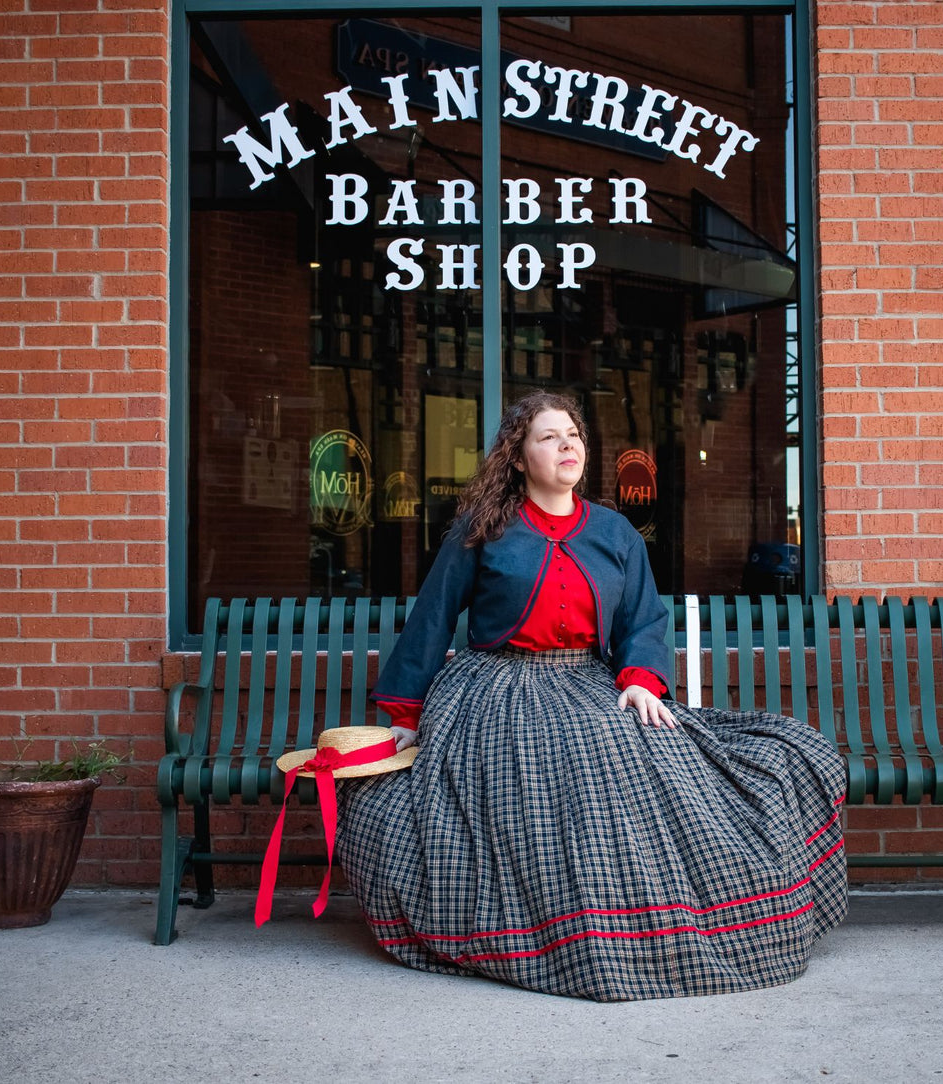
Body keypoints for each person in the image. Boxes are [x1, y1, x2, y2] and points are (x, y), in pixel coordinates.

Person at [335, 391, 848, 1001]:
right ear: (519, 458)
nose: (567, 445)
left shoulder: (613, 530)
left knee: (657, 752)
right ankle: (563, 926)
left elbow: (643, 620)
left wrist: (639, 680)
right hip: (499, 687)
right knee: (575, 759)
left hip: (588, 679)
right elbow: (432, 618)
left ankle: (646, 919)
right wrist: (405, 714)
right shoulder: (484, 530)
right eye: (548, 437)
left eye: (573, 434)